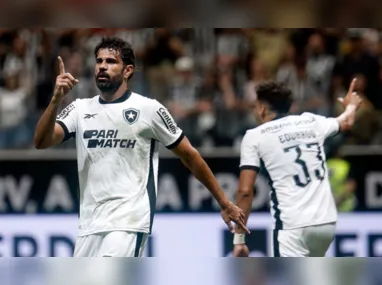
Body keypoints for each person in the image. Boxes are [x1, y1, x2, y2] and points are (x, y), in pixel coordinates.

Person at [34, 36, 249, 257]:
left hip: (128, 222)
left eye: (110, 61)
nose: (102, 67)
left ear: (127, 71)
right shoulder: (80, 109)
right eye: (99, 61)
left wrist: (224, 202)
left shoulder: (148, 109)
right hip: (89, 225)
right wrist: (55, 100)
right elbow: (41, 141)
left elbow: (190, 156)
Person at [232, 79, 362, 257]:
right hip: (326, 224)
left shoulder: (255, 136)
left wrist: (239, 241)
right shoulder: (310, 121)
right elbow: (346, 122)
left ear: (261, 108)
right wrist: (351, 106)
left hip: (293, 226)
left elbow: (245, 191)